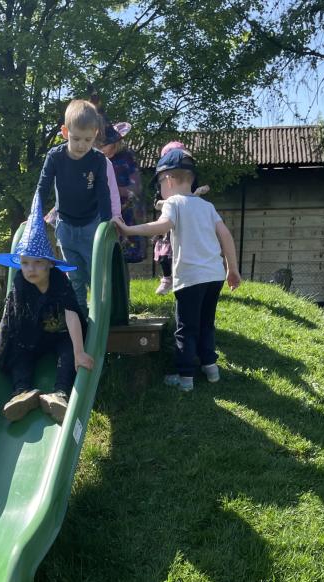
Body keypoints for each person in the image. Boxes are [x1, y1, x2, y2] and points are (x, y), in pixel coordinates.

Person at [114, 148, 241, 393]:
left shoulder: (174, 203)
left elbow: (162, 226)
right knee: (206, 324)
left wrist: (129, 230)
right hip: (214, 276)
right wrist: (232, 269)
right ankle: (211, 369)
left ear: (168, 180)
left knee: (186, 329)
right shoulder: (207, 206)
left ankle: (185, 378)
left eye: (159, 184)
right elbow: (225, 235)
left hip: (190, 279)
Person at [0, 191, 94, 425]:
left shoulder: (58, 280)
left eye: (37, 262)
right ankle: (22, 393)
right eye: (25, 263)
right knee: (18, 352)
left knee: (68, 351)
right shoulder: (20, 282)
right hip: (31, 336)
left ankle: (59, 394)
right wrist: (0, 349)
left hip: (59, 334)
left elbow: (72, 313)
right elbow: (12, 318)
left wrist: (79, 351)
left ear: (49, 264)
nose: (30, 269)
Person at [37, 99, 112, 316]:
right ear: (65, 132)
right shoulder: (55, 157)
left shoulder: (97, 160)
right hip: (65, 226)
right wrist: (35, 215)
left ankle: (100, 316)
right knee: (75, 276)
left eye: (88, 139)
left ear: (95, 134)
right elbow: (43, 187)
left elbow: (103, 191)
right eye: (76, 138)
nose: (81, 145)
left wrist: (107, 223)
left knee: (94, 274)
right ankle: (80, 318)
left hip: (91, 225)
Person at [153, 141, 210, 294]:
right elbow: (157, 204)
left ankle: (188, 279)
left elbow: (191, 198)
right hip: (169, 221)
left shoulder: (190, 182)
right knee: (165, 254)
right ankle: (167, 279)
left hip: (186, 224)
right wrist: (170, 203)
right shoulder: (162, 185)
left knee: (184, 252)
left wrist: (197, 193)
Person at [98, 119, 147, 265]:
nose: (101, 149)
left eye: (104, 145)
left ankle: (128, 256)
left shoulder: (127, 157)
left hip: (126, 207)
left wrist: (117, 190)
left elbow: (136, 186)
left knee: (124, 248)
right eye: (98, 146)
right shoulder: (97, 159)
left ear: (115, 143)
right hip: (103, 207)